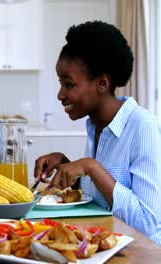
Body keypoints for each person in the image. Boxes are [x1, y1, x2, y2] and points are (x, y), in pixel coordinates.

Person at [34, 21, 161, 244]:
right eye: (60, 83)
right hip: (106, 247)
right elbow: (102, 199)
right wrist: (69, 167)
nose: (60, 94)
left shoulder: (143, 126)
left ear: (101, 83)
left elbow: (148, 223)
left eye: (69, 84)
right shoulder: (95, 125)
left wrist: (91, 167)